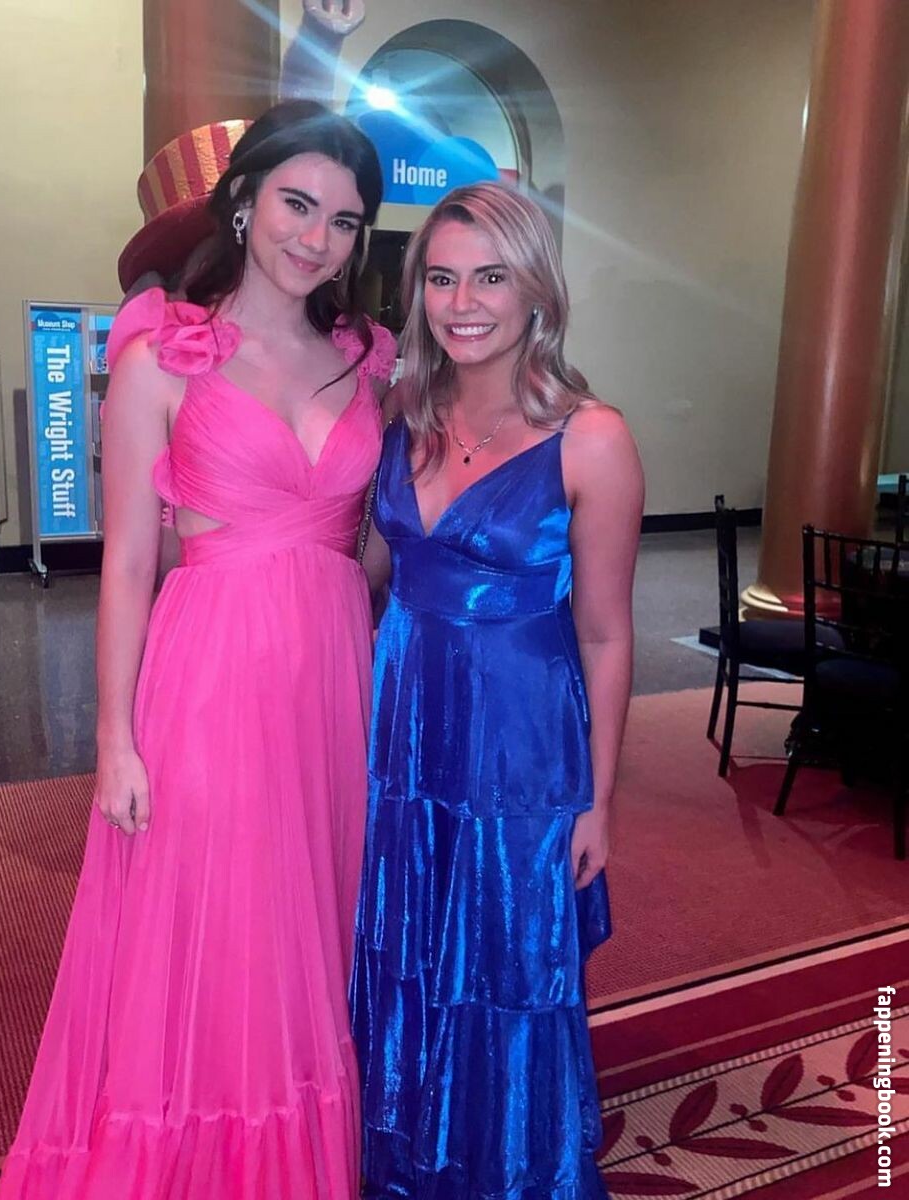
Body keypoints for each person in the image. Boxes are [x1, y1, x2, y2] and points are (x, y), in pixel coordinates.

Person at [0, 99, 396, 1199]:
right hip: (212, 677)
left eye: (344, 221)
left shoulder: (366, 362)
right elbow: (129, 564)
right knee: (221, 933)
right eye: (297, 204)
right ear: (245, 201)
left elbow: (372, 544)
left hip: (334, 682)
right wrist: (114, 740)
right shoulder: (162, 356)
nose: (316, 238)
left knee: (311, 930)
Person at [353, 182, 643, 1198]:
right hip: (403, 735)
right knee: (406, 943)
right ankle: (406, 1161)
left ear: (536, 291)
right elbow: (370, 577)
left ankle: (516, 1170)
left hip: (521, 750)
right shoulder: (403, 411)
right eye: (441, 278)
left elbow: (606, 635)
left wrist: (598, 800)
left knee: (507, 961)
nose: (462, 302)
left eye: (490, 277)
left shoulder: (592, 437)